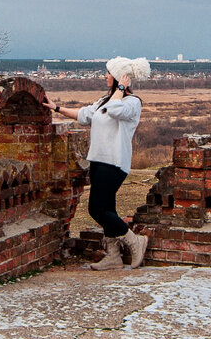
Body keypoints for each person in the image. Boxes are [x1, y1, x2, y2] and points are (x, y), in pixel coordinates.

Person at [45, 56, 150, 270]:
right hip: (98, 161)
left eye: (109, 73)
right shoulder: (105, 101)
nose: (105, 76)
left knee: (96, 209)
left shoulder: (132, 102)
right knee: (107, 207)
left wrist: (121, 87)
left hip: (115, 163)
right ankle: (113, 256)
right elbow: (84, 115)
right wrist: (56, 108)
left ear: (120, 78)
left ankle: (134, 241)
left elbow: (115, 110)